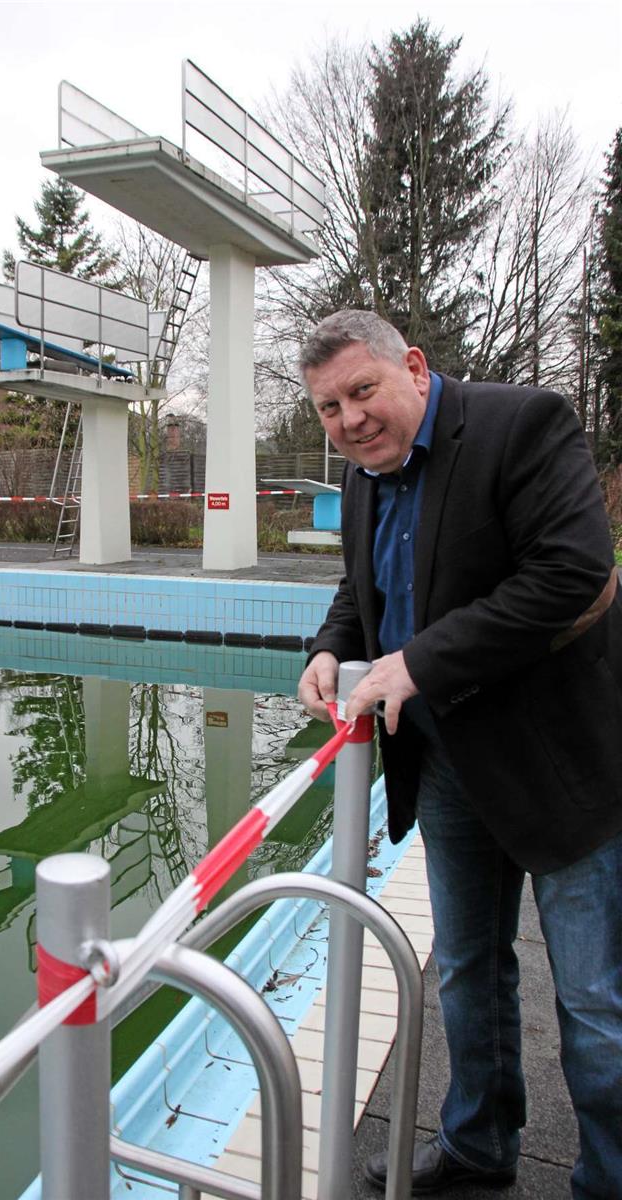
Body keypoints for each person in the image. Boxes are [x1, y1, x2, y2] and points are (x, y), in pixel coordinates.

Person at [297, 310, 622, 1199]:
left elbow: (572, 571)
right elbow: (363, 591)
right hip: (444, 764)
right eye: (330, 407)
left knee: (594, 1000)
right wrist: (331, 647)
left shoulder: (522, 424)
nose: (351, 418)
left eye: (363, 391)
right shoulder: (367, 477)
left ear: (412, 365)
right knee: (470, 972)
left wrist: (417, 662)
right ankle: (480, 1145)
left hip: (557, 763)